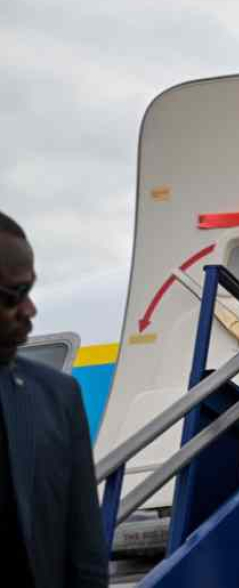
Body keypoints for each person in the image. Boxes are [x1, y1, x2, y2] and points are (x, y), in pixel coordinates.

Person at [0, 211, 108, 587]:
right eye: (14, 295)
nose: (31, 311)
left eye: (30, 291)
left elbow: (86, 553)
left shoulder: (57, 397)